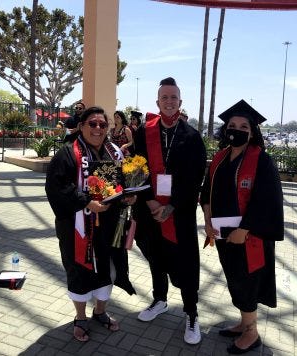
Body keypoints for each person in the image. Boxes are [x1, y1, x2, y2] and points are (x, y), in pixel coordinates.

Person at [200, 99, 284, 355]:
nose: (236, 130)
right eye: (232, 125)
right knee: (235, 279)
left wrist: (244, 229)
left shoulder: (262, 161)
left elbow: (267, 200)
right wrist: (207, 217)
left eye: (243, 126)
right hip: (224, 232)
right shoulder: (221, 157)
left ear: (252, 131)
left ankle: (252, 333)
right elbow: (207, 191)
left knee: (247, 282)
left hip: (249, 236)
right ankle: (243, 323)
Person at [45, 106, 136, 342]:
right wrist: (86, 202)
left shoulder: (114, 153)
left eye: (103, 125)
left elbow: (121, 183)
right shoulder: (67, 153)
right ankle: (80, 317)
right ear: (82, 126)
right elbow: (57, 187)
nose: (98, 129)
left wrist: (128, 194)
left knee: (108, 268)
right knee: (79, 268)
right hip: (77, 226)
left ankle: (101, 312)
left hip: (108, 224)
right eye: (92, 124)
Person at [133, 77, 207, 344]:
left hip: (180, 213)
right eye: (164, 97)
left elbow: (196, 176)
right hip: (150, 210)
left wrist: (172, 205)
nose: (169, 102)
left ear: (180, 102)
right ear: (157, 102)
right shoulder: (144, 132)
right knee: (155, 257)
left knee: (186, 263)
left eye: (173, 97)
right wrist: (152, 201)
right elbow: (136, 166)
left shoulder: (191, 136)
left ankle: (191, 313)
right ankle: (160, 300)